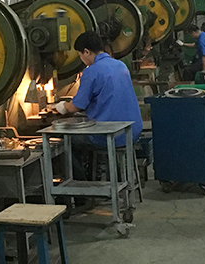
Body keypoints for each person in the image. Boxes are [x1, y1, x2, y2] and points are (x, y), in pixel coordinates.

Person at [52, 31, 143, 180]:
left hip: (111, 136)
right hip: (132, 131)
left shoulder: (91, 71)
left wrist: (61, 107)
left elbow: (75, 106)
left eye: (80, 55)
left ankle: (82, 188)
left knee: (64, 141)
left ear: (87, 51)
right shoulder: (120, 65)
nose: (81, 59)